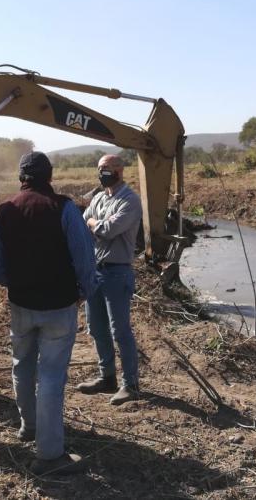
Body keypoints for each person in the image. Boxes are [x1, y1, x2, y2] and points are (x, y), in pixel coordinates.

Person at [0, 151, 96, 476]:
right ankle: (49, 455)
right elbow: (84, 258)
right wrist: (83, 292)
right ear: (50, 176)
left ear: (22, 177)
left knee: (22, 363)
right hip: (59, 307)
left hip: (21, 304)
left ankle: (29, 426)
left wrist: (16, 284)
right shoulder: (63, 208)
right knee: (50, 375)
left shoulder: (5, 209)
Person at [77, 154, 143, 405]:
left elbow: (107, 230)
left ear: (119, 170)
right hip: (95, 270)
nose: (102, 172)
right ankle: (107, 377)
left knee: (120, 330)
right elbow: (85, 225)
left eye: (106, 168)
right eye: (99, 168)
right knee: (96, 327)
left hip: (117, 272)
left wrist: (94, 222)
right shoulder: (100, 197)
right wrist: (95, 223)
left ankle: (131, 384)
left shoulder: (130, 200)